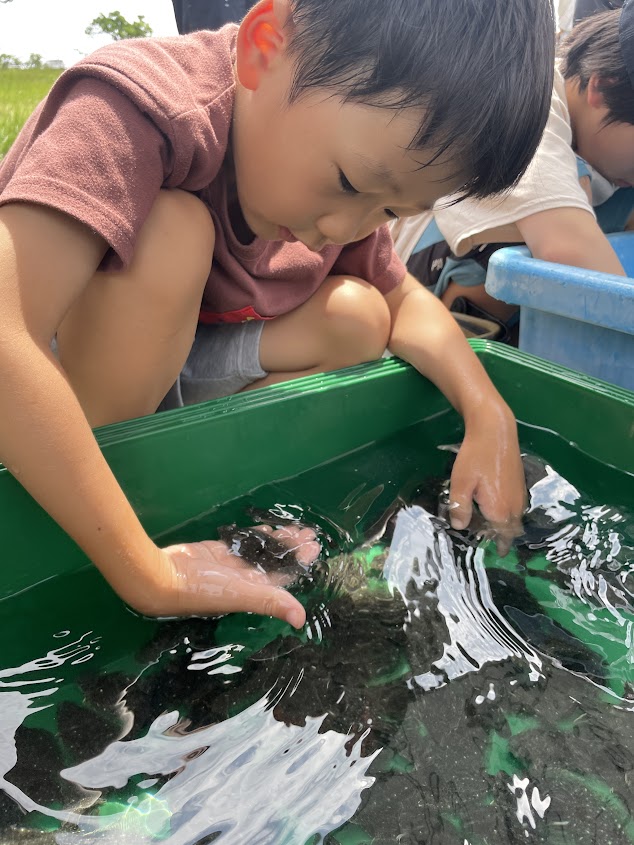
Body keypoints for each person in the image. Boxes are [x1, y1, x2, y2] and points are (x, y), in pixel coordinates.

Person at [0, 0, 555, 628]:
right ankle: (115, 496)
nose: (344, 227)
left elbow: (406, 301)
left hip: (181, 361)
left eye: (392, 212)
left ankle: (191, 480)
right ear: (265, 46)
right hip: (59, 381)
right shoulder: (140, 106)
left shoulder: (348, 179)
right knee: (172, 235)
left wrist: (489, 412)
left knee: (361, 313)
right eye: (348, 182)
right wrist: (147, 574)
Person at [391, 6, 634, 330]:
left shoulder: (605, 149)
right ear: (602, 87)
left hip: (543, 275)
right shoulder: (531, 99)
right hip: (416, 279)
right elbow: (565, 248)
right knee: (568, 203)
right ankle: (468, 343)